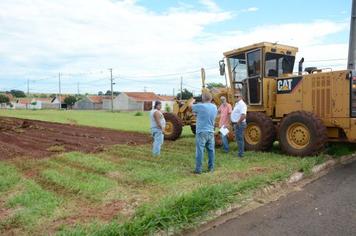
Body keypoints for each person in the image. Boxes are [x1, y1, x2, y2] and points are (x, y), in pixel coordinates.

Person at [191, 92, 218, 174]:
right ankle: (211, 168)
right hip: (211, 131)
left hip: (201, 131)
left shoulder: (201, 106)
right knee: (211, 151)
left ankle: (198, 169)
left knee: (200, 151)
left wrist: (192, 100)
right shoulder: (214, 107)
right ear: (210, 98)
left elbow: (189, 106)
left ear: (203, 98)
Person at [230, 92, 247, 158]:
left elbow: (243, 115)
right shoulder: (237, 104)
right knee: (238, 139)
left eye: (237, 96)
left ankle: (241, 154)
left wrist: (238, 122)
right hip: (237, 123)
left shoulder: (242, 104)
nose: (236, 98)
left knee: (240, 139)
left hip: (240, 124)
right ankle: (240, 153)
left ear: (241, 97)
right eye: (235, 96)